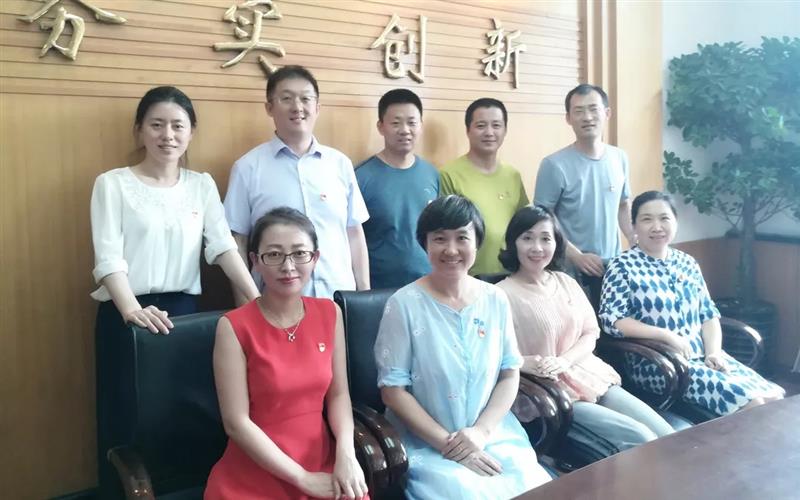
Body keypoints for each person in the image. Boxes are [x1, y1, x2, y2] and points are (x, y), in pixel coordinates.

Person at [90, 86, 259, 498]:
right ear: (139, 130)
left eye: (178, 126)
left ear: (191, 132)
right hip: (125, 314)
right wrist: (132, 311)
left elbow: (222, 246)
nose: (168, 135)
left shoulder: (201, 185)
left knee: (184, 415)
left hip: (185, 315)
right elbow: (109, 259)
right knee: (125, 418)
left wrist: (258, 300)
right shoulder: (112, 184)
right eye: (157, 124)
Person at [374, 195, 551, 499]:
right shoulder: (403, 305)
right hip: (428, 443)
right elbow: (393, 391)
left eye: (462, 238)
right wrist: (451, 445)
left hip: (493, 434)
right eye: (439, 238)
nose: (451, 249)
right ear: (424, 243)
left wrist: (481, 432)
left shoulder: (495, 299)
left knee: (536, 487)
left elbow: (509, 373)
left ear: (477, 242)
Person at [205, 207, 368, 500]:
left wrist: (346, 454)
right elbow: (236, 423)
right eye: (274, 254)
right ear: (255, 261)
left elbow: (338, 394)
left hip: (321, 460)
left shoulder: (330, 313)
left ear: (315, 258)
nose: (288, 266)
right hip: (255, 468)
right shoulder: (233, 326)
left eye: (299, 253)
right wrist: (301, 478)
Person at [496, 205, 673, 460]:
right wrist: (525, 363)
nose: (537, 247)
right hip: (551, 393)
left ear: (557, 243)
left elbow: (591, 333)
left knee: (666, 434)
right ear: (513, 242)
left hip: (590, 376)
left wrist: (565, 361)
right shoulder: (501, 295)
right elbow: (493, 354)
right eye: (527, 238)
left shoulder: (566, 282)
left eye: (546, 238)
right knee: (640, 438)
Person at [599, 191, 785, 416]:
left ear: (675, 222)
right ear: (634, 226)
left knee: (774, 397)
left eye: (664, 218)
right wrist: (666, 336)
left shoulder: (687, 262)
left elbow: (708, 314)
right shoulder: (622, 265)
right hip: (660, 364)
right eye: (647, 219)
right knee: (752, 403)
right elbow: (613, 320)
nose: (657, 227)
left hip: (705, 359)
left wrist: (714, 352)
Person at [224, 65, 370, 300]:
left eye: (305, 99)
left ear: (317, 107)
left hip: (338, 298)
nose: (297, 107)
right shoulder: (247, 168)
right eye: (287, 98)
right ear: (269, 108)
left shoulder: (339, 163)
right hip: (275, 303)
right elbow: (238, 241)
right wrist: (245, 307)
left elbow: (354, 233)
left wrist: (364, 296)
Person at [534, 84, 635, 310]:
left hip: (612, 266)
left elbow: (623, 204)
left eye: (593, 109)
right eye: (578, 111)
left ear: (607, 113)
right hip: (569, 270)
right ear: (568, 118)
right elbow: (542, 219)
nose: (587, 117)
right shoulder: (554, 165)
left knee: (613, 325)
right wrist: (576, 256)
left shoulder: (619, 158)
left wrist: (633, 238)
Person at [356, 88, 439, 289]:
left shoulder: (431, 173)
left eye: (412, 122)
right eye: (396, 123)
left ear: (421, 126)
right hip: (380, 290)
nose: (405, 130)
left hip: (428, 286)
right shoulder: (361, 177)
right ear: (381, 127)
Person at [440, 98, 529, 276]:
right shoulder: (449, 174)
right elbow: (445, 233)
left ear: (505, 130)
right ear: (468, 130)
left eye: (496, 125)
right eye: (481, 126)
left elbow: (524, 224)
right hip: (468, 276)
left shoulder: (512, 175)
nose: (489, 132)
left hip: (511, 275)